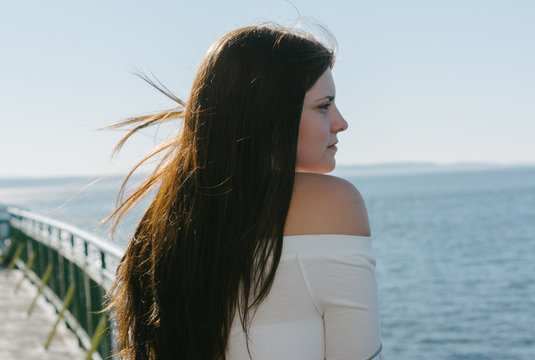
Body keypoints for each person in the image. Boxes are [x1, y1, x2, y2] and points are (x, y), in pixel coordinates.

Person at [105, 23, 385, 360]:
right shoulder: (332, 202)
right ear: (268, 114)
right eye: (323, 106)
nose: (341, 122)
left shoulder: (164, 223)